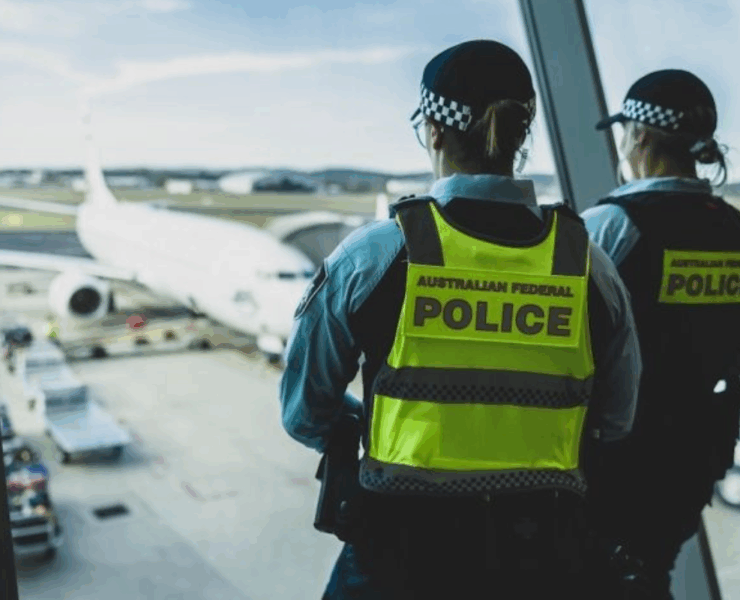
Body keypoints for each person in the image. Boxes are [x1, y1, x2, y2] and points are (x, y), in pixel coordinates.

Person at [279, 39, 642, 599]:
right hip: (543, 550)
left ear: (434, 130)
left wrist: (367, 426)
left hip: (400, 547)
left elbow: (304, 412)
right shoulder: (586, 263)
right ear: (521, 134)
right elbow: (615, 419)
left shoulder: (377, 253)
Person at [582, 69, 740, 599]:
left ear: (639, 136)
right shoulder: (733, 230)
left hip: (615, 455)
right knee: (650, 570)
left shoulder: (610, 225)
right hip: (695, 451)